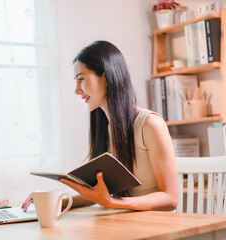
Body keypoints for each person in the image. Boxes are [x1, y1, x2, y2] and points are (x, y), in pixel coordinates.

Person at [22, 40, 178, 211]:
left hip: (155, 225)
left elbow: (170, 198)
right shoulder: (103, 127)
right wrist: (58, 202)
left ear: (105, 75)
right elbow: (98, 193)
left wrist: (112, 203)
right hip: (124, 222)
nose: (77, 90)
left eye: (81, 79)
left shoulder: (150, 124)